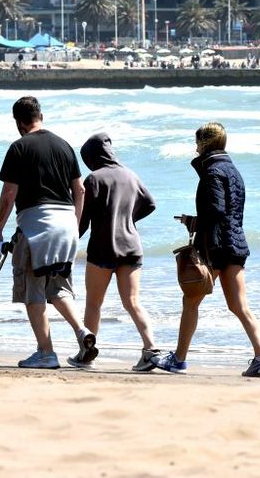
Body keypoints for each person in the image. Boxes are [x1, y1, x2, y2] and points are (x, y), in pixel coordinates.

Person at [151, 122, 260, 377]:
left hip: (216, 246)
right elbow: (230, 212)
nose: (195, 147)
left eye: (197, 142)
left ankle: (179, 359)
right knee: (239, 305)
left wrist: (194, 222)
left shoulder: (212, 172)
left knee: (191, 300)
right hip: (236, 243)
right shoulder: (234, 171)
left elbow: (215, 212)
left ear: (206, 143)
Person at [0, 96, 94, 369]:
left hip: (36, 226)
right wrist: (75, 224)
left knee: (33, 290)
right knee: (58, 287)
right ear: (41, 116)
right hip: (66, 227)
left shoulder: (19, 147)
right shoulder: (64, 146)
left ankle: (46, 353)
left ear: (19, 122)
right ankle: (82, 332)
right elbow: (80, 190)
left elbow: (9, 193)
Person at [77, 132, 159, 371]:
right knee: (133, 302)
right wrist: (128, 220)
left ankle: (87, 353)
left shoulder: (93, 179)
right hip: (132, 248)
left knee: (94, 304)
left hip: (103, 248)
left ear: (92, 157)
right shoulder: (131, 175)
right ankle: (150, 349)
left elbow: (83, 219)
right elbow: (151, 203)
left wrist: (71, 240)